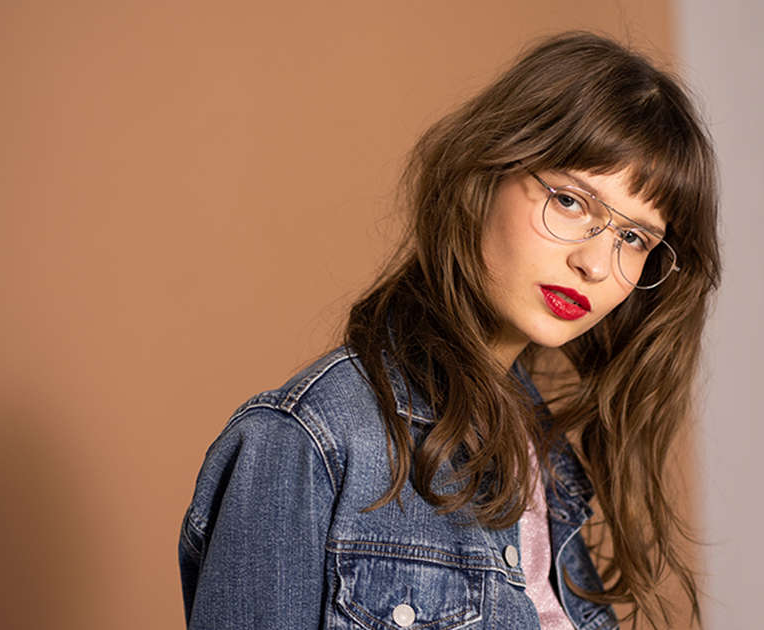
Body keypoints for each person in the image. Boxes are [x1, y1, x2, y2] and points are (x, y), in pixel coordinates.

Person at [179, 31, 720, 630]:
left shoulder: (550, 467)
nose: (594, 264)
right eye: (570, 201)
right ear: (485, 173)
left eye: (633, 237)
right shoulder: (310, 444)